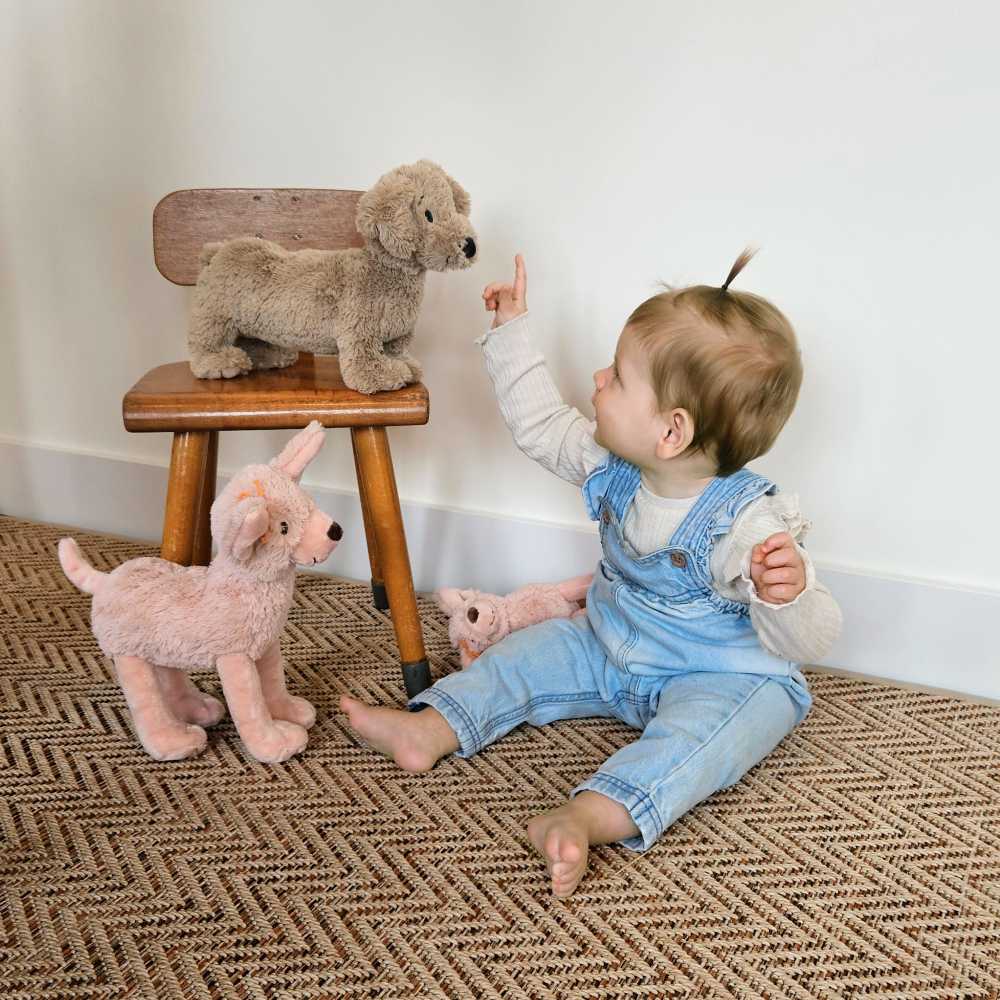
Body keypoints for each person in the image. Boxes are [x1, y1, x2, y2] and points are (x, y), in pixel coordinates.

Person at [341, 249, 842, 898]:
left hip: (719, 675)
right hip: (609, 644)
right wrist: (511, 331)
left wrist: (790, 593)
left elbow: (812, 639)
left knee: (704, 742)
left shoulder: (746, 526)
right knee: (525, 654)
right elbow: (541, 425)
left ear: (672, 431)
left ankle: (592, 813)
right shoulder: (611, 461)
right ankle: (433, 726)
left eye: (619, 377)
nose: (599, 377)